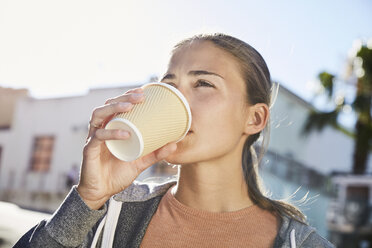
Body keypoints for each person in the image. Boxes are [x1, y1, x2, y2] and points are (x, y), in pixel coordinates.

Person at [15, 33, 334, 248]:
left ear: (254, 119)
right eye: (169, 84)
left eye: (204, 84)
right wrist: (86, 198)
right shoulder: (112, 213)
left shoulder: (300, 242)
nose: (177, 99)